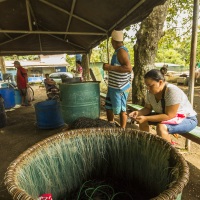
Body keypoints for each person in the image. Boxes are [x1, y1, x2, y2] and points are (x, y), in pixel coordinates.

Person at [129, 69, 198, 143]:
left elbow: (169, 115)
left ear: (160, 82)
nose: (148, 89)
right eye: (147, 86)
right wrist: (138, 113)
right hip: (166, 116)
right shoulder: (150, 92)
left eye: (150, 85)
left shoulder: (172, 91)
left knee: (161, 127)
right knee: (141, 119)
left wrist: (145, 118)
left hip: (187, 119)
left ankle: (169, 153)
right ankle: (145, 143)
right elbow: (147, 108)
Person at [103, 30, 132, 128]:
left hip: (121, 88)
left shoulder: (121, 51)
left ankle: (122, 129)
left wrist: (110, 67)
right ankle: (111, 125)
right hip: (113, 86)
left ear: (113, 41)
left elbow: (128, 68)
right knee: (108, 106)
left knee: (122, 110)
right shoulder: (117, 51)